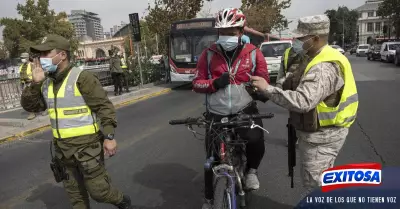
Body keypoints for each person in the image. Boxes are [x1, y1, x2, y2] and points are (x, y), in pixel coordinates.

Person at [20, 34, 133, 209]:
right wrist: (34, 83)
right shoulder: (46, 83)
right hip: (63, 152)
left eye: (46, 54)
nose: (41, 59)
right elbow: (31, 107)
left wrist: (109, 136)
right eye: (39, 55)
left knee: (99, 192)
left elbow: (104, 107)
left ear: (62, 55)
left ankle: (121, 200)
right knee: (76, 198)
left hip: (87, 149)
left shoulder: (82, 78)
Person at [250, 15, 358, 195]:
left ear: (315, 38)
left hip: (323, 137)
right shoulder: (311, 56)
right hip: (318, 134)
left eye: (300, 38)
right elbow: (291, 80)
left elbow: (303, 101)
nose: (296, 41)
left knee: (316, 185)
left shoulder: (324, 66)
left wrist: (267, 89)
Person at [192, 8, 270, 209]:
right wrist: (214, 83)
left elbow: (264, 80)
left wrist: (259, 89)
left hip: (244, 110)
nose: (226, 36)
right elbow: (196, 83)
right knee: (211, 157)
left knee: (255, 139)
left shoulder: (253, 53)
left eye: (231, 32)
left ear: (241, 31)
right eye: (222, 32)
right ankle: (209, 199)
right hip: (216, 113)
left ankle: (252, 171)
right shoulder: (208, 55)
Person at [276, 34, 309, 146]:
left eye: (300, 39)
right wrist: (278, 85)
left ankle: (304, 137)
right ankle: (294, 138)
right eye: (296, 39)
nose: (297, 41)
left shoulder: (310, 52)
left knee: (307, 113)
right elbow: (282, 70)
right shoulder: (287, 53)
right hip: (291, 89)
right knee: (293, 115)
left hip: (307, 88)